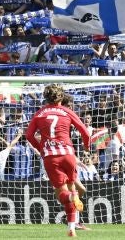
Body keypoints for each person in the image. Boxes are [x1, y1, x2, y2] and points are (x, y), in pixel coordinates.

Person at [26, 84, 93, 237]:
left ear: (45, 97)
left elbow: (29, 135)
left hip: (51, 157)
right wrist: (87, 148)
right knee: (72, 187)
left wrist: (41, 148)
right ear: (61, 97)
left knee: (64, 195)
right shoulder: (67, 111)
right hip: (69, 155)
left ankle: (71, 199)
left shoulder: (39, 113)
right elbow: (85, 132)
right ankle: (72, 229)